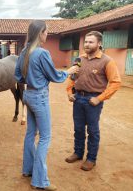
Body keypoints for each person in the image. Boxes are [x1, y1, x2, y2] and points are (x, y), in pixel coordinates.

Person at [14, 20, 78, 190]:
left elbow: (18, 76)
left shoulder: (24, 52)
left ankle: (28, 170)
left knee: (30, 134)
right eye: (46, 31)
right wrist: (68, 72)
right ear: (40, 33)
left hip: (28, 94)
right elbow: (54, 76)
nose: (47, 34)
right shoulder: (41, 53)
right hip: (39, 97)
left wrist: (32, 78)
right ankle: (40, 181)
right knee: (44, 137)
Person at [65, 31, 121, 171]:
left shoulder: (107, 61)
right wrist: (69, 92)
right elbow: (73, 77)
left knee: (93, 131)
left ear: (99, 44)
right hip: (78, 98)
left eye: (91, 42)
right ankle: (78, 153)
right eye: (85, 42)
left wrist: (99, 98)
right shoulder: (79, 59)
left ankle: (91, 159)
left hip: (93, 101)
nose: (87, 45)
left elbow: (115, 82)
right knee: (78, 129)